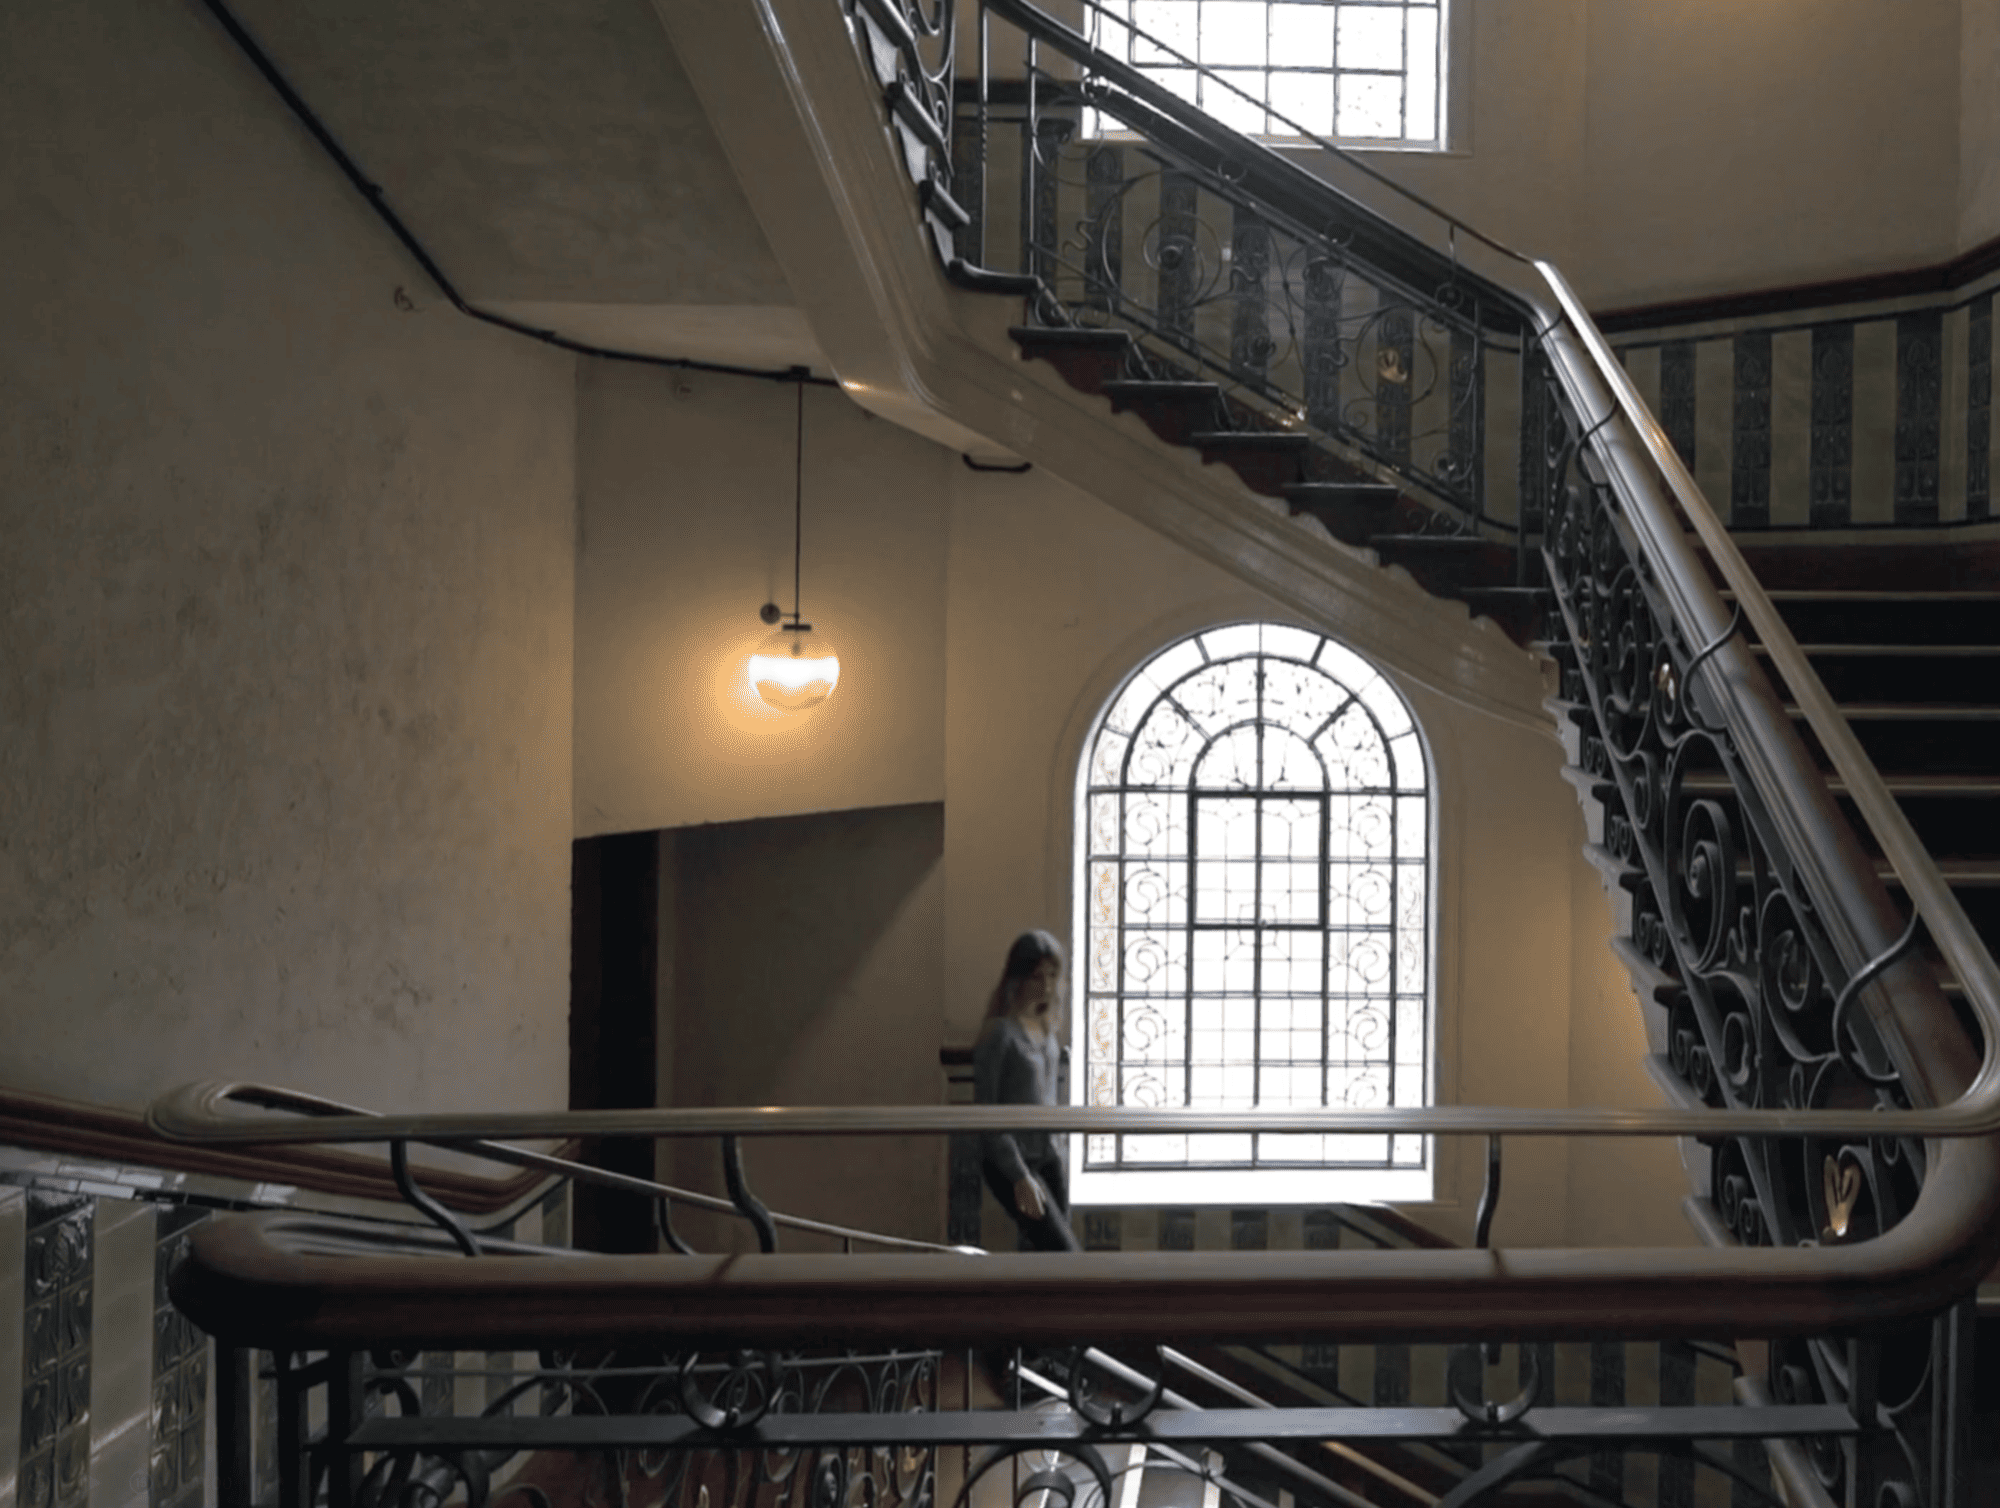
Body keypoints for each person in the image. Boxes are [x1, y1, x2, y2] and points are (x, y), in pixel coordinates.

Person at [973, 930, 1080, 1252]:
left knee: (1046, 1253)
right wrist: (1019, 1176)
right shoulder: (1000, 1035)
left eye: (1051, 976)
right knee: (1063, 1253)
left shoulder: (1047, 1030)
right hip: (1013, 1160)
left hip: (1048, 1156)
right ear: (1018, 978)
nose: (1046, 986)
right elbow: (986, 1115)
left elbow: (1049, 1099)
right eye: (1037, 977)